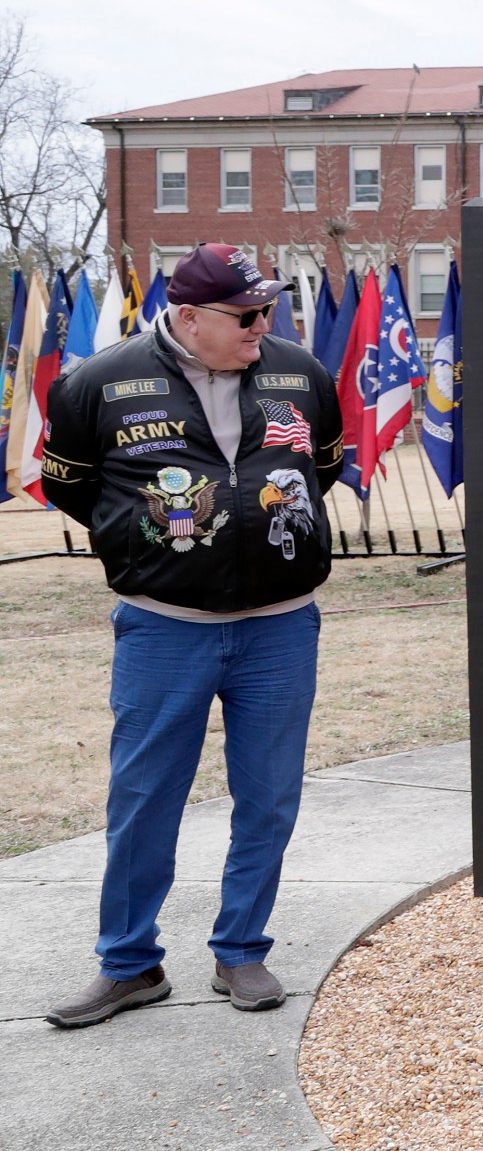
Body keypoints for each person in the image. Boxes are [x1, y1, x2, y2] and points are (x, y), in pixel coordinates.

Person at [39, 243, 343, 1029]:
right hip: (164, 629)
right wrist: (148, 548)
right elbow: (71, 483)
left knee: (268, 797)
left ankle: (242, 949)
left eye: (267, 309)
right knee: (143, 799)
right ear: (187, 318)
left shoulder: (298, 374)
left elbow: (323, 470)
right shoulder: (99, 383)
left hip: (280, 627)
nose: (262, 325)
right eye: (245, 315)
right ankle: (129, 964)